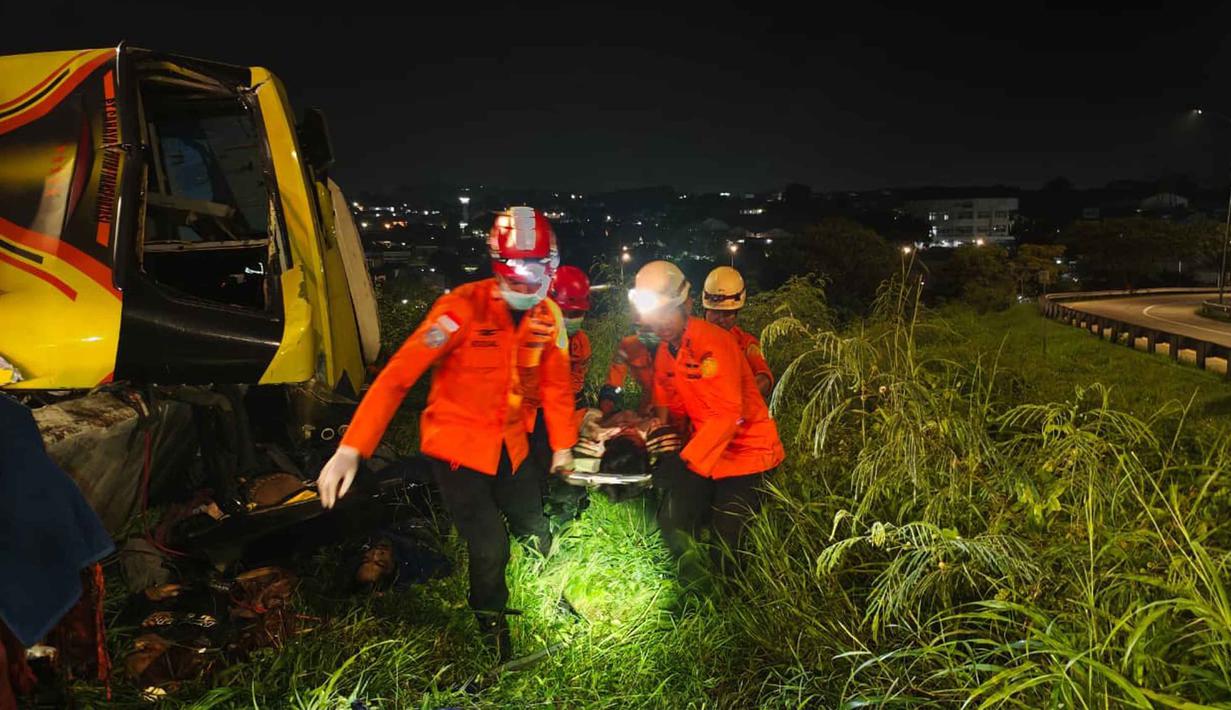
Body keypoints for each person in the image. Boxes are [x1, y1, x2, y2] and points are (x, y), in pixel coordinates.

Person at [315, 206, 578, 660]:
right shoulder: (458, 313)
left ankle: (555, 598)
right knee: (490, 546)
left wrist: (563, 445)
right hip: (457, 450)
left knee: (536, 527)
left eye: (539, 270)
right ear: (499, 266)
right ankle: (494, 637)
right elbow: (398, 376)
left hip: (511, 447)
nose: (530, 282)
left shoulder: (545, 317)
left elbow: (554, 384)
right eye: (520, 271)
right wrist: (351, 449)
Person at [628, 261, 785, 577]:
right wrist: (649, 434)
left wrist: (685, 464)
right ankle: (691, 585)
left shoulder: (714, 342)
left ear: (686, 304)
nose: (661, 324)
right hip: (709, 454)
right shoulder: (667, 351)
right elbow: (670, 406)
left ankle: (731, 605)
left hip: (747, 457)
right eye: (654, 316)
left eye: (667, 313)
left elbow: (727, 416)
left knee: (726, 542)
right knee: (673, 520)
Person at [701, 266, 773, 401]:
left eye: (727, 313)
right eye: (715, 312)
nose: (720, 319)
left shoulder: (746, 344)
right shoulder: (689, 339)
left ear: (736, 314)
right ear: (706, 309)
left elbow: (764, 377)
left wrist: (738, 396)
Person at [598, 321, 660, 417]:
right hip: (647, 406)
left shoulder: (677, 343)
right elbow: (616, 377)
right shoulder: (628, 345)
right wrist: (609, 396)